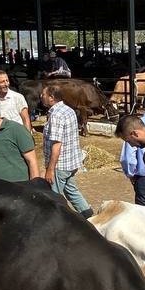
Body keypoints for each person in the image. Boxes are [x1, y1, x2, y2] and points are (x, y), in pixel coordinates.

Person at [41, 84, 93, 217]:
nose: (41, 96)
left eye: (44, 94)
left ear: (51, 98)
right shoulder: (68, 110)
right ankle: (88, 214)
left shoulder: (56, 115)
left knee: (54, 197)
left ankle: (58, 221)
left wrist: (50, 169)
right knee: (72, 191)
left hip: (60, 165)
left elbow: (56, 144)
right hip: (71, 162)